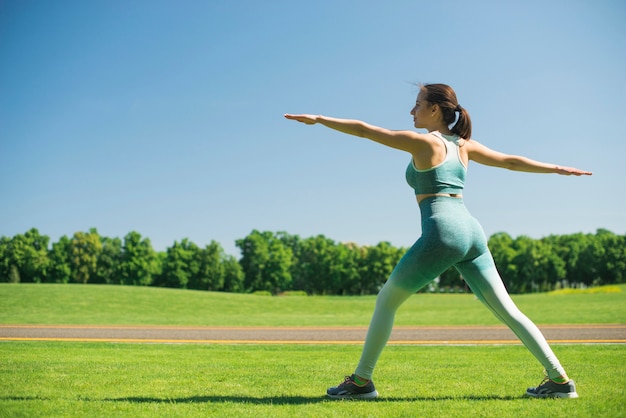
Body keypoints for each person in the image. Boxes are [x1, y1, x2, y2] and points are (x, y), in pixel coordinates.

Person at [284, 83, 592, 400]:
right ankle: (560, 381)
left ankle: (361, 382)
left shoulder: (424, 143)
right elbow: (510, 161)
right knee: (508, 310)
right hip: (471, 230)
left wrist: (320, 119)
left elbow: (365, 131)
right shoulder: (464, 146)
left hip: (442, 231)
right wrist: (556, 169)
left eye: (417, 104)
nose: (411, 111)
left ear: (434, 109)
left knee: (386, 300)